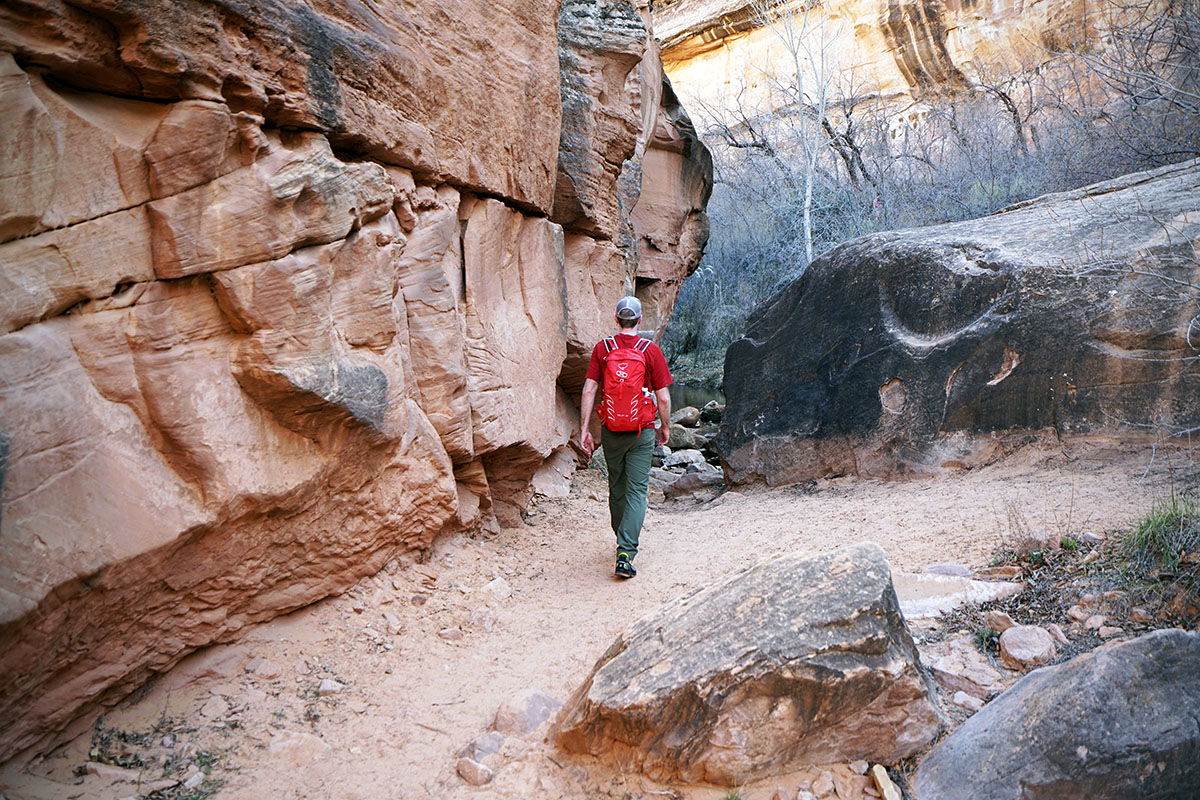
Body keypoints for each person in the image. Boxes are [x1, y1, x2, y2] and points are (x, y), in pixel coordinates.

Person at [579, 296, 672, 578]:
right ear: (640, 320)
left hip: (611, 431)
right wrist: (665, 426)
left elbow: (588, 390)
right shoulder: (650, 350)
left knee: (616, 486)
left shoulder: (603, 349)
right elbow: (663, 397)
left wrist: (585, 428)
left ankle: (621, 536)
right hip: (641, 430)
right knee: (636, 491)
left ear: (617, 319)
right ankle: (625, 552)